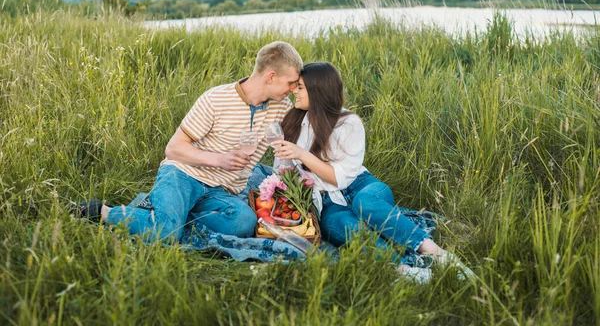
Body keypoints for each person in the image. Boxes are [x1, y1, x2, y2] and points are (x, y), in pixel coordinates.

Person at [72, 41, 303, 242]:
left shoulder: (281, 107)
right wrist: (219, 160)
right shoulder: (216, 99)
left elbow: (309, 127)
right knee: (165, 234)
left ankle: (169, 215)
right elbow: (173, 149)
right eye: (291, 83)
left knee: (243, 223)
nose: (293, 90)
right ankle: (102, 211)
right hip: (183, 175)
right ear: (271, 77)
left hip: (220, 190)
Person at [272, 62, 474, 282]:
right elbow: (283, 173)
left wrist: (302, 154)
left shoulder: (348, 122)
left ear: (318, 90)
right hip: (325, 200)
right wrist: (284, 162)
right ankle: (404, 269)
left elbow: (340, 178)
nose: (293, 90)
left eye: (300, 87)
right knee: (342, 226)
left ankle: (437, 254)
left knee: (365, 204)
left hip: (360, 185)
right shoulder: (293, 122)